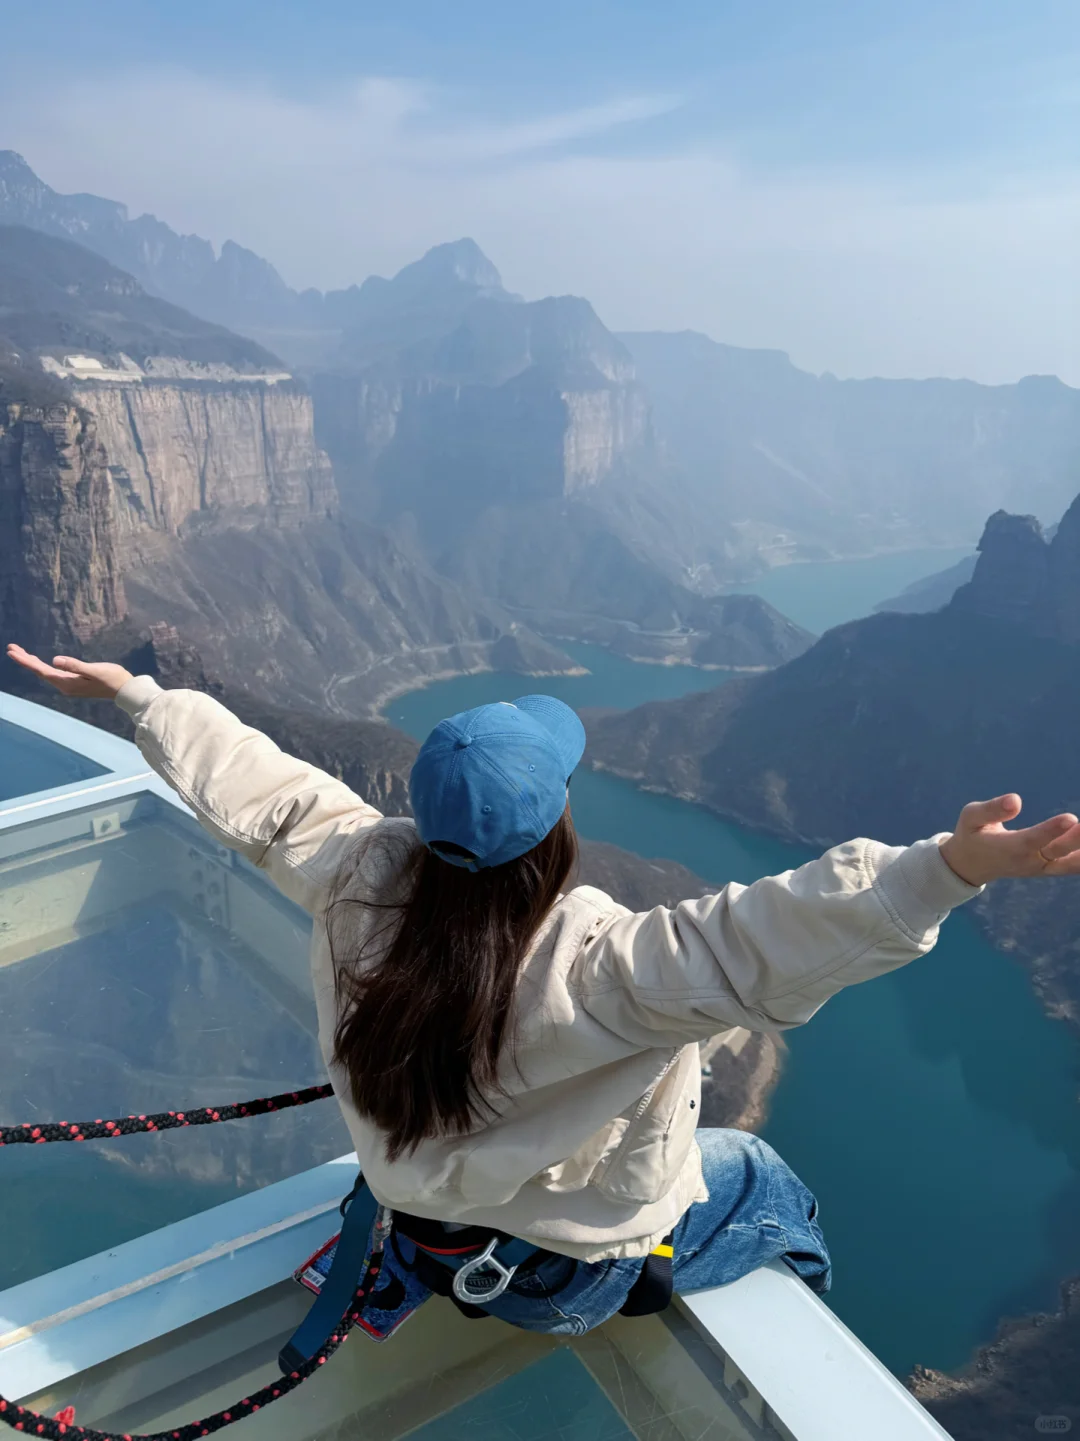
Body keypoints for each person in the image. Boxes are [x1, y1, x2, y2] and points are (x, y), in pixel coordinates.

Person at [10, 640, 1080, 1337]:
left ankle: (415, 1260)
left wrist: (144, 700)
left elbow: (275, 798)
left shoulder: (359, 877)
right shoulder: (603, 967)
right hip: (556, 1279)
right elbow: (759, 940)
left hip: (426, 1216)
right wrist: (949, 869)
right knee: (769, 1186)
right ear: (553, 834)